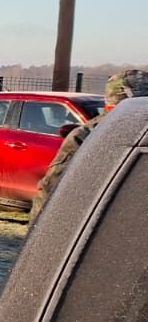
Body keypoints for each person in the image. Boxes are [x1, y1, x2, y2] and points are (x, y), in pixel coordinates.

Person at [29, 68, 148, 223]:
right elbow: (52, 188)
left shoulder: (88, 134)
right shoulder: (86, 135)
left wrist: (40, 231)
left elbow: (50, 190)